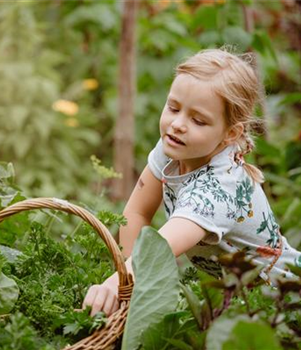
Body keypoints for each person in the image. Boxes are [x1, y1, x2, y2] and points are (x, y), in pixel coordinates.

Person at [83, 48, 301, 317]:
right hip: (239, 301)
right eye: (173, 108)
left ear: (230, 133)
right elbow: (137, 213)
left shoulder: (219, 190)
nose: (177, 124)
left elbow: (159, 249)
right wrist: (127, 284)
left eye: (198, 120)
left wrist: (120, 282)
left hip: (285, 301)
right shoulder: (174, 148)